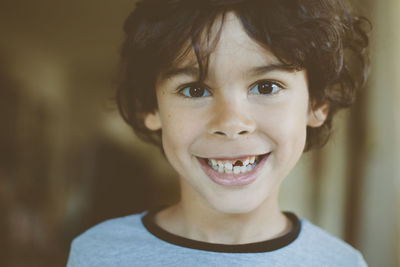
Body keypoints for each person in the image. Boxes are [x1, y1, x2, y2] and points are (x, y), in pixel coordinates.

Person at [67, 0, 370, 266]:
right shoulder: (97, 254)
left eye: (266, 86)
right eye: (195, 90)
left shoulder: (343, 263)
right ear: (151, 108)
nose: (230, 122)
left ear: (317, 103)